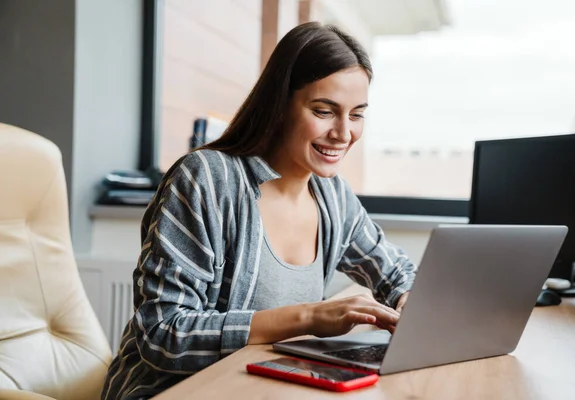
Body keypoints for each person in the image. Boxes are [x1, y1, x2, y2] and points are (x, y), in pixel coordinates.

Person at [102, 21, 416, 400]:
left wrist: (408, 300)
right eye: (324, 110)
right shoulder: (208, 179)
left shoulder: (332, 195)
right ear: (281, 105)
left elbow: (395, 273)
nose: (343, 133)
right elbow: (164, 334)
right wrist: (310, 317)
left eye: (356, 114)